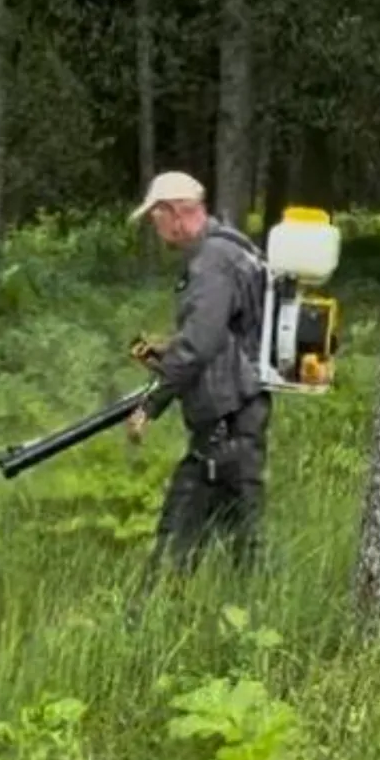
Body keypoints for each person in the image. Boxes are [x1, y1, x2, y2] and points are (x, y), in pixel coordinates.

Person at [124, 170, 274, 608]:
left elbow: (200, 345)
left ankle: (146, 619)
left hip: (226, 422)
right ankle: (251, 615)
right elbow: (225, 333)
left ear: (171, 213)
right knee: (241, 539)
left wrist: (150, 405)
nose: (157, 230)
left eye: (155, 220)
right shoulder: (232, 250)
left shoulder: (210, 263)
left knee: (184, 529)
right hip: (238, 417)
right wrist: (166, 349)